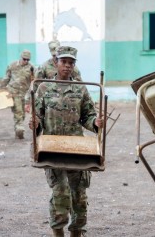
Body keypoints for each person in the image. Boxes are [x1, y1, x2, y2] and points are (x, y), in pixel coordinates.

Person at [29, 46, 104, 237]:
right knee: (60, 193)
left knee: (79, 195)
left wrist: (95, 122)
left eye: (71, 63)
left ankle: (77, 232)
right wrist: (35, 124)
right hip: (52, 148)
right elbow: (37, 117)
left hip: (77, 149)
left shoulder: (80, 88)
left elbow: (87, 116)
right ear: (56, 63)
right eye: (64, 62)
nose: (67, 66)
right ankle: (58, 232)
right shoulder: (44, 87)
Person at [24, 40, 82, 113]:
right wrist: (28, 101)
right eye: (54, 56)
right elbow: (36, 84)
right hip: (51, 99)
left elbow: (80, 85)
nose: (55, 57)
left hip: (68, 98)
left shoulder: (71, 67)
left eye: (57, 55)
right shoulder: (45, 66)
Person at [0, 49, 34, 139]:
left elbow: (33, 81)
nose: (26, 61)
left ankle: (18, 127)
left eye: (28, 60)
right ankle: (20, 128)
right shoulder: (12, 65)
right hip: (13, 92)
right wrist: (1, 89)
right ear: (21, 57)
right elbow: (6, 78)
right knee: (18, 111)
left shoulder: (31, 68)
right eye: (24, 59)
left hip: (24, 93)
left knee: (22, 114)